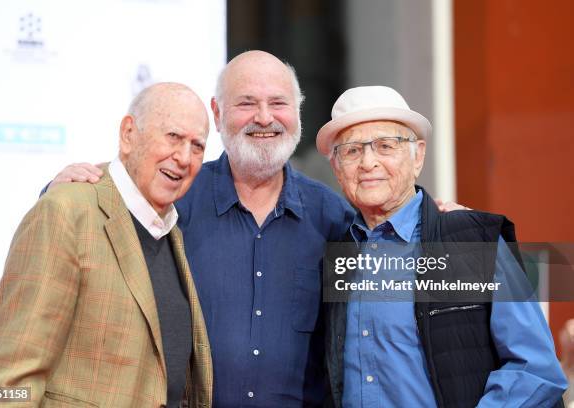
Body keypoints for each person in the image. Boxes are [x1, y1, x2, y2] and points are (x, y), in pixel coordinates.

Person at [43, 51, 354, 407]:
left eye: (278, 103)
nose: (264, 117)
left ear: (297, 113)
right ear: (218, 114)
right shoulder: (174, 198)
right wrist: (62, 188)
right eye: (247, 103)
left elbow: (376, 326)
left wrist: (431, 223)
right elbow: (98, 215)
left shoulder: (334, 219)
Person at [318, 85, 568, 407]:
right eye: (352, 151)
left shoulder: (472, 241)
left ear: (417, 155)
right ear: (337, 168)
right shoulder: (335, 255)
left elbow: (535, 370)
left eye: (385, 145)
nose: (368, 162)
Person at [0, 83, 213, 407]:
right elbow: (2, 384)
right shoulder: (66, 212)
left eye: (197, 146)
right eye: (173, 137)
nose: (184, 157)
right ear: (128, 134)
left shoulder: (171, 232)